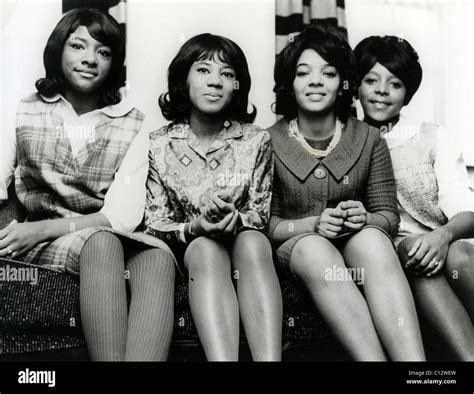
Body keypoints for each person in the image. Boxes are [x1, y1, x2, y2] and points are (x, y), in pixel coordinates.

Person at [0, 8, 175, 361]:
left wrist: (40, 230)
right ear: (57, 51)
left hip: (102, 231)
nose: (90, 59)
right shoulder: (21, 111)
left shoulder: (134, 122)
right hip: (54, 242)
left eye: (103, 52)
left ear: (114, 63)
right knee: (101, 244)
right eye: (78, 46)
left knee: (157, 258)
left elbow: (122, 217)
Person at [268, 23, 426, 361]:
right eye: (303, 72)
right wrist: (312, 225)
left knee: (371, 239)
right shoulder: (266, 142)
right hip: (298, 248)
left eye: (328, 73)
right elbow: (266, 224)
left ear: (343, 85)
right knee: (315, 250)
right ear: (290, 83)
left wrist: (364, 217)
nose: (314, 80)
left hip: (355, 245)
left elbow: (388, 217)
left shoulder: (369, 138)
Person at [145, 33, 282, 361]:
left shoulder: (256, 140)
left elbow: (260, 214)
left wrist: (234, 219)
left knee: (253, 241)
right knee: (205, 248)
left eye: (227, 74)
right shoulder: (158, 143)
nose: (216, 82)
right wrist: (196, 227)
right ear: (183, 80)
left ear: (238, 86)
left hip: (243, 245)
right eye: (204, 70)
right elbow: (154, 222)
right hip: (189, 251)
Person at [355, 35, 474, 360]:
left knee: (458, 257)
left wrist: (442, 236)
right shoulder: (348, 142)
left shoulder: (433, 136)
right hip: (391, 253)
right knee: (413, 255)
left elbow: (466, 212)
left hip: (445, 241)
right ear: (356, 86)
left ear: (407, 94)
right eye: (370, 80)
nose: (381, 91)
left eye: (394, 84)